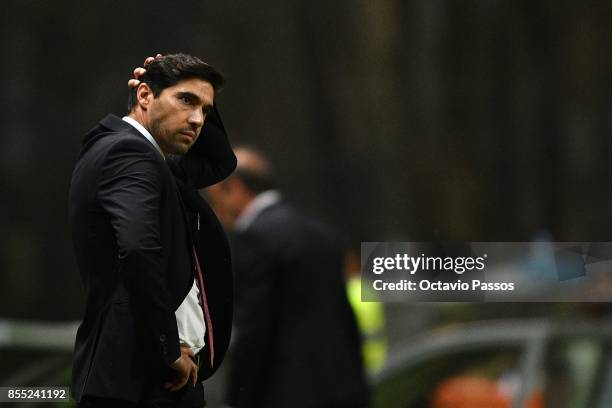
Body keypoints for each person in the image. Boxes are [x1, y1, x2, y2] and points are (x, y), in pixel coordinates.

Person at [68, 53, 235, 407]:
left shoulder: (148, 159)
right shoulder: (129, 152)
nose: (197, 119)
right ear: (144, 95)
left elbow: (220, 162)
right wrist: (166, 346)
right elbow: (139, 249)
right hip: (143, 378)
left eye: (205, 110)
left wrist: (198, 90)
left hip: (148, 377)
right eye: (186, 100)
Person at [206, 147, 369, 408]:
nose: (216, 210)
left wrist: (238, 396)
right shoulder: (319, 232)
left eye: (215, 200)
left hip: (290, 395)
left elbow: (254, 331)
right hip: (346, 389)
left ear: (235, 189)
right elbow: (344, 319)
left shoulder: (255, 239)